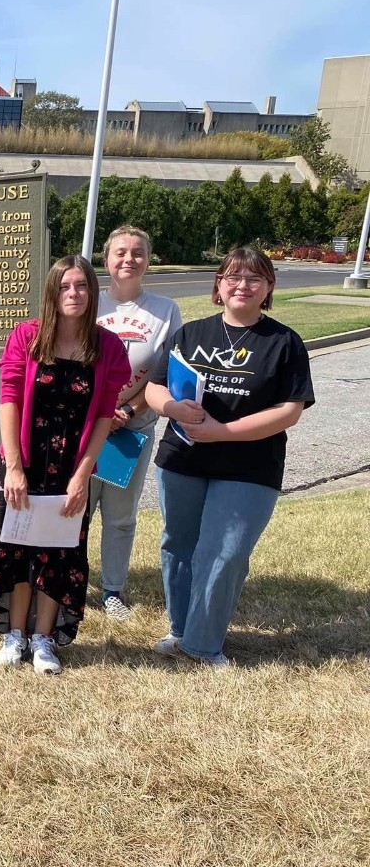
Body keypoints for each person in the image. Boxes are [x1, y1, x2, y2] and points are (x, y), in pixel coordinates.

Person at [145, 248, 314, 669]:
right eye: (234, 277)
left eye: (255, 278)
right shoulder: (192, 334)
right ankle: (180, 629)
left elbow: (289, 411)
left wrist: (222, 432)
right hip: (183, 459)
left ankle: (203, 645)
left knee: (227, 552)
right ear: (218, 284)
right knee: (179, 545)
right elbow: (155, 387)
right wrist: (172, 408)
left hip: (250, 466)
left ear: (269, 288)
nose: (243, 285)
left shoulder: (284, 343)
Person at [0, 256, 130, 674]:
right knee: (17, 546)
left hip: (71, 466)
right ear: (52, 292)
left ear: (92, 291)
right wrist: (14, 467)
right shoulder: (27, 337)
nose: (74, 294)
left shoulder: (107, 347)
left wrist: (83, 476)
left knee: (61, 549)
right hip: (24, 461)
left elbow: (105, 415)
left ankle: (44, 638)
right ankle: (15, 635)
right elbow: (9, 399)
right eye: (65, 286)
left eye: (82, 286)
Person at [86, 225, 182, 620]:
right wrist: (100, 414)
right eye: (120, 252)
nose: (129, 259)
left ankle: (112, 590)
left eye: (138, 252)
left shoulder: (165, 310)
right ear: (106, 260)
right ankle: (67, 581)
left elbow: (168, 370)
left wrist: (129, 410)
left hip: (132, 430)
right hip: (86, 428)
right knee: (74, 509)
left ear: (148, 259)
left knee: (121, 515)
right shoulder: (89, 304)